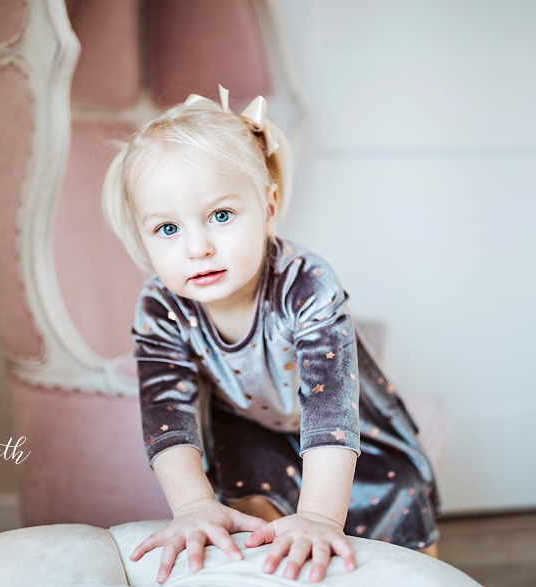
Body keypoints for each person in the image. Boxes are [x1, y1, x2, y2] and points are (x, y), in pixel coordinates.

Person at [102, 86, 439, 584]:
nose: (197, 248)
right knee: (245, 513)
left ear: (268, 207)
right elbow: (166, 414)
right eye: (167, 229)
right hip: (251, 425)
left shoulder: (306, 284)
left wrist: (321, 518)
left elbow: (329, 413)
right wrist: (194, 505)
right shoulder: (161, 305)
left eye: (220, 216)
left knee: (400, 494)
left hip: (344, 427)